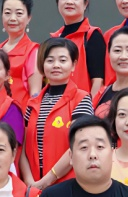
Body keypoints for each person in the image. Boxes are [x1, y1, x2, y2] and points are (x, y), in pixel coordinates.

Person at [21, 38, 94, 188]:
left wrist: (47, 180)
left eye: (62, 60)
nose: (56, 65)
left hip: (69, 186)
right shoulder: (32, 104)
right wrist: (30, 182)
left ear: (73, 65)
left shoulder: (81, 99)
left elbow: (79, 144)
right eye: (50, 60)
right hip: (34, 187)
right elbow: (23, 149)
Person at [51, 0, 105, 97]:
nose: (69, 2)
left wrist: (88, 107)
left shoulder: (92, 36)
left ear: (85, 3)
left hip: (82, 106)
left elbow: (98, 81)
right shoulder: (54, 39)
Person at [0, 0, 42, 108]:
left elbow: (35, 94)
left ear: (29, 18)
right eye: (7, 13)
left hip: (19, 114)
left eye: (19, 13)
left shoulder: (33, 51)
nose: (12, 18)